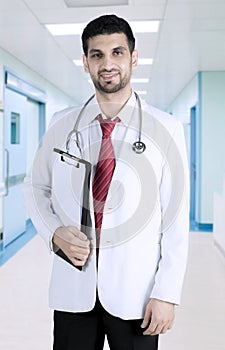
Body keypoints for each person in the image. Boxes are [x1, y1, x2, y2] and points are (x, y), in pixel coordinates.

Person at [23, 14, 189, 350]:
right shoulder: (62, 124)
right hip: (74, 289)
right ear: (85, 63)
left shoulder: (166, 129)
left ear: (134, 58)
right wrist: (55, 233)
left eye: (117, 52)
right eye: (97, 55)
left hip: (136, 296)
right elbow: (34, 188)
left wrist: (166, 293)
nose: (107, 63)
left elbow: (175, 219)